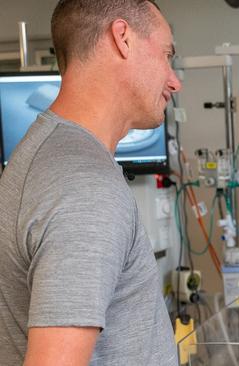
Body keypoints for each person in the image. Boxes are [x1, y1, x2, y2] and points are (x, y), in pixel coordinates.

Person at [0, 0, 182, 365]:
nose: (174, 81)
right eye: (166, 55)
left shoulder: (52, 152)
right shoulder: (84, 185)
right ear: (123, 38)